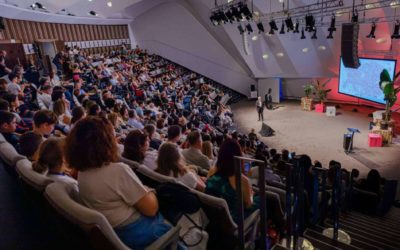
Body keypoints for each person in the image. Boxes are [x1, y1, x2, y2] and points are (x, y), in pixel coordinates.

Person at [65, 116, 171, 249]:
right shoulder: (118, 171)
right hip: (135, 232)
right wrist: (149, 190)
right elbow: (151, 209)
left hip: (112, 234)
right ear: (106, 142)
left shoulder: (81, 172)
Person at [206, 139, 258, 222]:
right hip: (233, 221)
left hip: (214, 217)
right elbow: (248, 205)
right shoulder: (242, 180)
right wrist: (251, 195)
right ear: (238, 156)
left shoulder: (211, 171)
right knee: (261, 199)